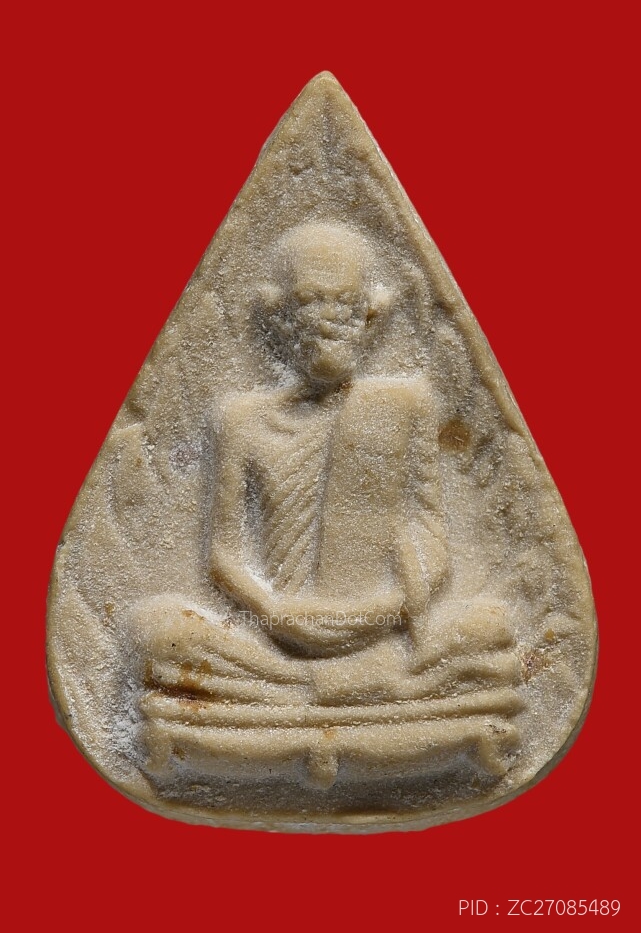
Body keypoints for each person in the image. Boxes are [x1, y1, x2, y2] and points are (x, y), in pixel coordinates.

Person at [132, 221, 521, 721]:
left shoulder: (405, 406)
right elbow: (224, 558)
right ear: (279, 316)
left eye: (344, 302)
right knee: (160, 633)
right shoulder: (241, 418)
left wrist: (384, 610)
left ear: (371, 315)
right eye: (310, 301)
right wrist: (275, 612)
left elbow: (429, 536)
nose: (328, 319)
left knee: (493, 626)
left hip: (383, 628)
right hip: (271, 638)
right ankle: (363, 694)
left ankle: (289, 703)